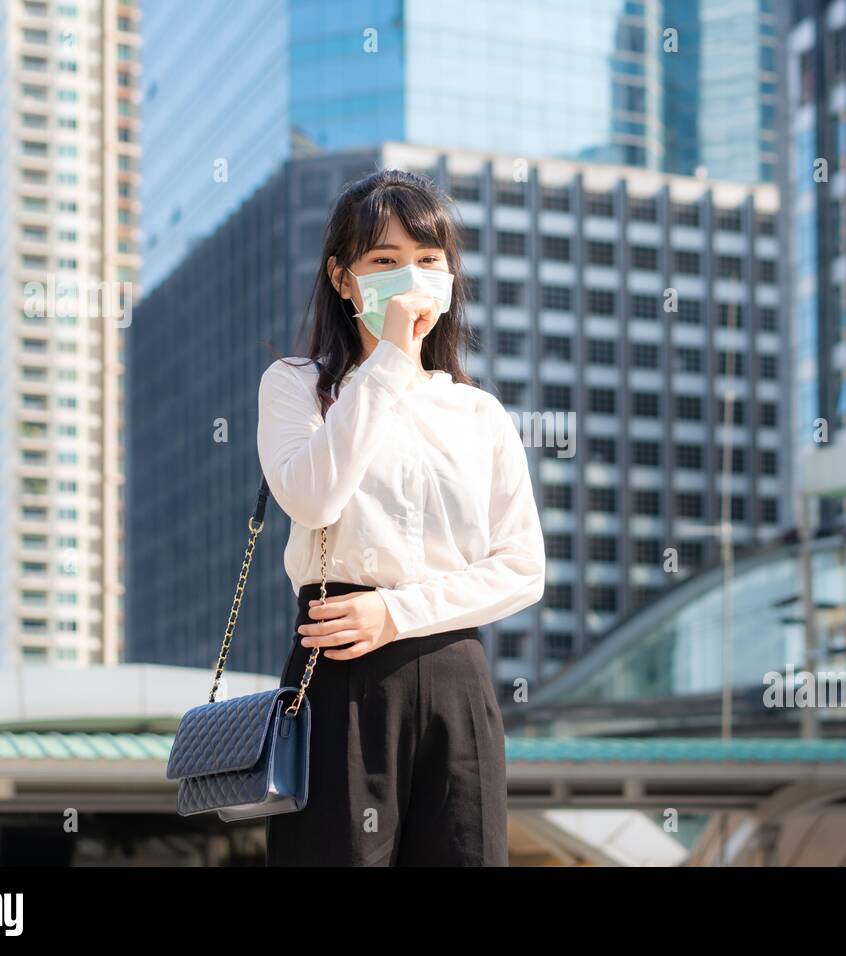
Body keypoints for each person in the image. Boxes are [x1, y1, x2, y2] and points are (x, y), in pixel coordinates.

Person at [257, 168, 545, 866]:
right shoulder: (297, 386)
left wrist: (397, 612)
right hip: (339, 669)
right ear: (342, 277)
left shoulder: (478, 413)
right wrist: (387, 360)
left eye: (427, 260)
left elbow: (522, 568)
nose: (409, 278)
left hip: (453, 667)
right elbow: (313, 498)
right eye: (383, 261)